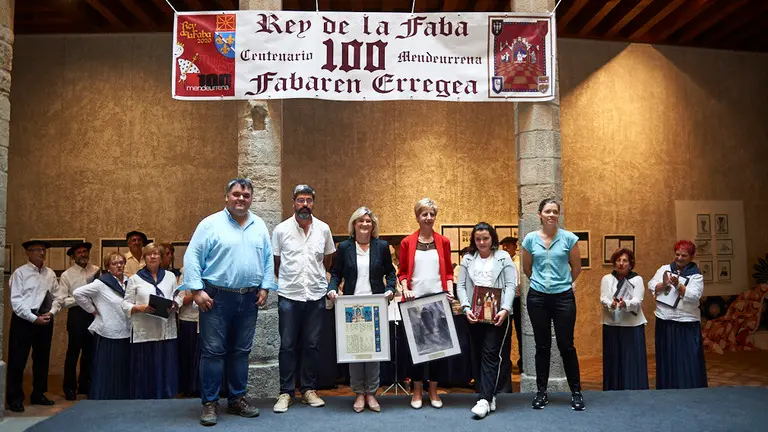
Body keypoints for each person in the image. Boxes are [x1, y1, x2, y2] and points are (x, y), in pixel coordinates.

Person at [182, 178, 274, 425]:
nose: (241, 199)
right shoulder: (209, 224)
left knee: (241, 352)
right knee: (213, 352)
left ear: (251, 198)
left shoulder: (259, 225)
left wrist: (265, 287)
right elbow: (192, 257)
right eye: (236, 194)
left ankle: (237, 399)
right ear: (227, 197)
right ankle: (210, 403)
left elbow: (267, 259)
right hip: (216, 298)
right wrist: (196, 291)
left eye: (245, 195)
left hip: (249, 297)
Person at [272, 184, 336, 413]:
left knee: (312, 345)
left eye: (309, 200)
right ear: (293, 202)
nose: (305, 205)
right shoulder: (281, 230)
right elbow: (276, 264)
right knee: (287, 346)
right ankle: (286, 392)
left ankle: (308, 389)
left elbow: (328, 259)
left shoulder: (324, 229)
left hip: (316, 296)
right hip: (289, 295)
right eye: (301, 200)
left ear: (313, 203)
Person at [328, 207, 396, 413]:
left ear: (373, 225)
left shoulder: (382, 246)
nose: (365, 224)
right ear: (354, 225)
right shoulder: (345, 247)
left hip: (375, 306)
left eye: (368, 221)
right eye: (360, 221)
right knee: (355, 351)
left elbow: (391, 273)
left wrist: (390, 289)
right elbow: (336, 273)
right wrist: (332, 288)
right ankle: (358, 393)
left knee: (374, 352)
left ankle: (372, 393)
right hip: (351, 307)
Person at [521, 198, 585, 411]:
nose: (551, 215)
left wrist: (565, 284)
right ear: (540, 214)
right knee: (542, 345)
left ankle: (576, 392)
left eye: (555, 211)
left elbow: (576, 267)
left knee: (566, 345)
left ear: (559, 215)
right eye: (547, 211)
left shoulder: (569, 238)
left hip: (563, 298)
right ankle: (541, 392)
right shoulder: (530, 239)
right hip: (538, 298)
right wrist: (541, 284)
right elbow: (527, 269)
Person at [456, 223, 517, 419]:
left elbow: (510, 285)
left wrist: (506, 309)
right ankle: (488, 396)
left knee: (491, 354)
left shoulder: (503, 257)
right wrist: (465, 307)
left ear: (493, 239)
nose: (482, 242)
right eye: (478, 239)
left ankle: (483, 399)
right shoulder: (467, 259)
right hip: (474, 315)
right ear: (473, 240)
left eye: (486, 238)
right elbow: (461, 286)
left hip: (498, 315)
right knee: (477, 354)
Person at [398, 198, 454, 409]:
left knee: (439, 350)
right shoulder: (407, 242)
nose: (428, 218)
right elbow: (402, 272)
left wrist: (449, 290)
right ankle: (417, 391)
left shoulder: (444, 242)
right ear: (417, 217)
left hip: (438, 302)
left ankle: (433, 391)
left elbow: (448, 271)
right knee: (417, 351)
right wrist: (405, 288)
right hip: (415, 303)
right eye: (424, 214)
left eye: (431, 214)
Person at [6, 240, 61, 412]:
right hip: (24, 320)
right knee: (17, 360)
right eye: (37, 250)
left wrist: (51, 313)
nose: (42, 253)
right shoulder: (20, 273)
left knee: (42, 360)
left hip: (44, 319)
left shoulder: (50, 273)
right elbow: (16, 301)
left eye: (43, 250)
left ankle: (38, 393)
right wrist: (32, 318)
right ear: (28, 253)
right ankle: (15, 398)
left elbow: (58, 297)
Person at [122, 242, 183, 399]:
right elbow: (125, 304)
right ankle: (145, 395)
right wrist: (139, 308)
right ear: (144, 258)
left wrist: (175, 304)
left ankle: (166, 394)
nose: (153, 257)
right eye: (149, 254)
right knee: (146, 366)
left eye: (156, 254)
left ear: (161, 257)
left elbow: (178, 295)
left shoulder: (170, 276)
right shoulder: (135, 279)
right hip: (145, 329)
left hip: (165, 328)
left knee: (165, 364)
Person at [648, 240, 707, 389]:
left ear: (692, 257)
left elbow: (694, 295)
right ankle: (668, 387)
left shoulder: (696, 276)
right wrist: (664, 284)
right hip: (665, 320)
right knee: (667, 357)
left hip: (687, 323)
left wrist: (678, 285)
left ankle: (690, 388)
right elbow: (651, 285)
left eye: (684, 255)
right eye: (677, 254)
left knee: (688, 359)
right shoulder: (664, 269)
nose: (679, 258)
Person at [73, 252, 132, 399]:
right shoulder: (101, 283)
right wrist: (93, 310)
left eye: (121, 262)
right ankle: (104, 398)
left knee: (122, 369)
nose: (119, 265)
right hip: (108, 333)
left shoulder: (129, 282)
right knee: (108, 370)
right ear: (108, 267)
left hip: (126, 330)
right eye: (114, 263)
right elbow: (78, 293)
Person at [600, 248, 649, 391]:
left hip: (632, 325)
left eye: (624, 260)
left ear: (630, 263)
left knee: (631, 361)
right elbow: (603, 298)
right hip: (612, 324)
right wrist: (611, 304)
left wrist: (625, 304)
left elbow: (638, 300)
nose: (621, 263)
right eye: (618, 260)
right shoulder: (607, 279)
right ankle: (613, 389)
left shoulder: (637, 279)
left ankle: (634, 388)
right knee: (613, 360)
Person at [59, 241, 100, 400]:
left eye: (85, 251)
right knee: (73, 353)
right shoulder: (66, 275)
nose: (83, 255)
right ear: (73, 256)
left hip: (94, 314)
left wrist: (81, 296)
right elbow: (63, 301)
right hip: (76, 316)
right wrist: (81, 298)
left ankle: (85, 384)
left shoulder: (96, 270)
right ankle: (69, 387)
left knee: (90, 352)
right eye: (79, 252)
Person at [500, 236, 522, 376]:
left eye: (508, 246)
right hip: (505, 301)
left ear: (515, 247)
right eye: (504, 246)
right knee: (505, 334)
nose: (506, 248)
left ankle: (523, 364)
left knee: (521, 333)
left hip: (519, 301)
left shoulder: (520, 262)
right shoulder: (501, 262)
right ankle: (505, 366)